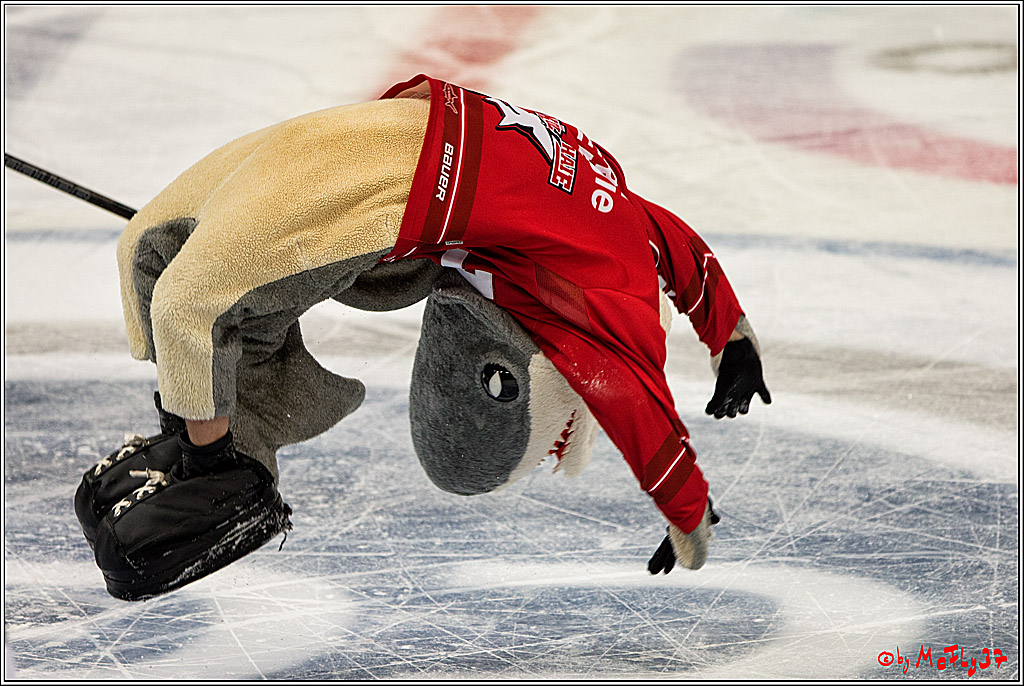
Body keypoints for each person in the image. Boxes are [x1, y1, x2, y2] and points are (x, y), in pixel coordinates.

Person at [75, 74, 771, 601]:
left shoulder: (606, 209)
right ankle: (218, 449)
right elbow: (637, 377)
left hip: (374, 135)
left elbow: (642, 350)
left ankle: (213, 436)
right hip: (384, 178)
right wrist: (728, 346)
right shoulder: (602, 268)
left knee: (164, 268)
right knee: (182, 292)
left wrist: (728, 338)